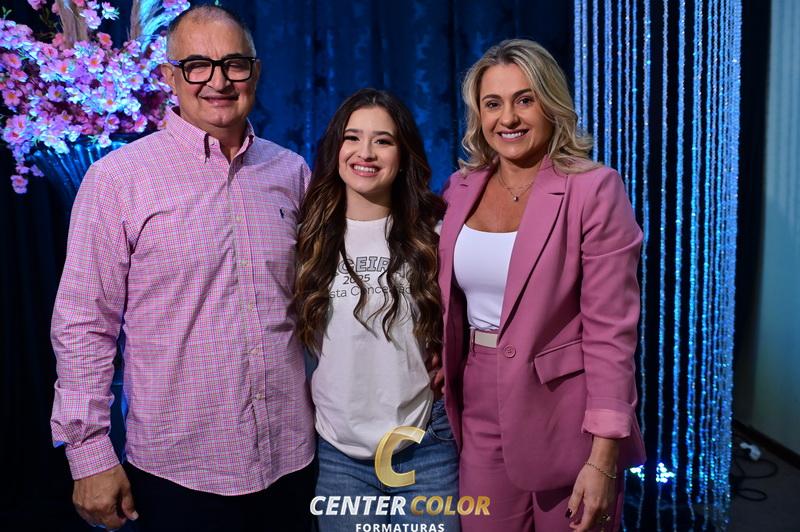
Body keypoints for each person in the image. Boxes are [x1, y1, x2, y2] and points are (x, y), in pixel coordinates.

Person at [50, 5, 315, 531]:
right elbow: (84, 322)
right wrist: (89, 454)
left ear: (255, 72)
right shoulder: (117, 180)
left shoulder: (291, 171)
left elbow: (319, 303)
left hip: (291, 459)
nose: (218, 81)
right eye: (197, 65)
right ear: (169, 77)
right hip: (178, 472)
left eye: (234, 63)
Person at [437, 39, 646, 532]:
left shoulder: (594, 189)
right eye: (493, 104)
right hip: (478, 398)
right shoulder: (459, 188)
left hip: (567, 412)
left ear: (551, 104)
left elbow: (611, 333)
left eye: (525, 100)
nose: (508, 118)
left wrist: (603, 457)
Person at [294, 88, 459, 531]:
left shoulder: (436, 232)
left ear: (403, 156)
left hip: (426, 446)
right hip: (339, 455)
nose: (365, 152)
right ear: (336, 148)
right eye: (353, 137)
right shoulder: (308, 237)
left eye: (382, 140)